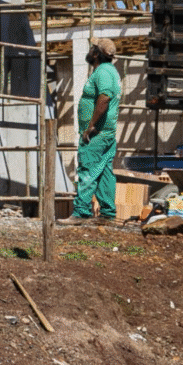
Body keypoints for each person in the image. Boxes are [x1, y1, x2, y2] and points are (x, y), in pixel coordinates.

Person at [60, 37, 121, 226]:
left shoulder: (103, 72)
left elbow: (104, 98)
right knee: (103, 172)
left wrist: (91, 125)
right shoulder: (110, 71)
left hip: (97, 133)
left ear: (97, 53)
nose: (90, 51)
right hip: (106, 133)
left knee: (87, 169)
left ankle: (81, 212)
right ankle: (108, 213)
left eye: (93, 48)